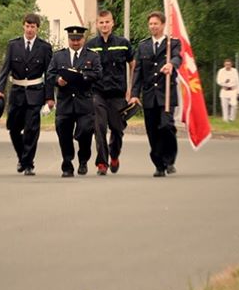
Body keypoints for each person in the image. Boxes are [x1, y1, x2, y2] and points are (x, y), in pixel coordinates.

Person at [0, 13, 53, 176]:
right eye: (27, 26)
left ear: (37, 28)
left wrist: (49, 97)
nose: (30, 29)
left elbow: (49, 74)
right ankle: (22, 157)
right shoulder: (13, 45)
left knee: (31, 130)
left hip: (35, 93)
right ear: (23, 26)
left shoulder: (45, 47)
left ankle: (28, 164)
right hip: (17, 92)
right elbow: (5, 70)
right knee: (13, 128)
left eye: (33, 27)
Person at [45, 25, 102, 177]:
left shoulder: (92, 56)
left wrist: (82, 76)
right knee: (63, 133)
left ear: (83, 39)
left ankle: (83, 159)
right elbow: (49, 75)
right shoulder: (59, 56)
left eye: (78, 39)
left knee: (85, 131)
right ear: (68, 39)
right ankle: (67, 163)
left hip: (84, 102)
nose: (75, 42)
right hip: (65, 102)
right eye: (72, 39)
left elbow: (98, 73)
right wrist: (58, 80)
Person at [129, 11, 181, 177]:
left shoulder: (172, 43)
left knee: (166, 126)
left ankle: (169, 158)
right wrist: (135, 94)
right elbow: (137, 72)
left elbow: (178, 57)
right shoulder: (143, 46)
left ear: (163, 25)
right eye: (150, 24)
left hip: (166, 94)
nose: (153, 26)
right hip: (150, 94)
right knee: (152, 131)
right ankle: (159, 164)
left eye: (156, 24)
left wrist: (171, 64)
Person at [86, 10, 135, 175]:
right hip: (97, 93)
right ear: (97, 24)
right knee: (99, 128)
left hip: (117, 94)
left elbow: (133, 64)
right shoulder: (91, 45)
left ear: (113, 23)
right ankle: (102, 163)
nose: (104, 25)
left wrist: (131, 89)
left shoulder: (123, 43)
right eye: (101, 22)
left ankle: (114, 155)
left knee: (117, 129)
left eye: (107, 22)